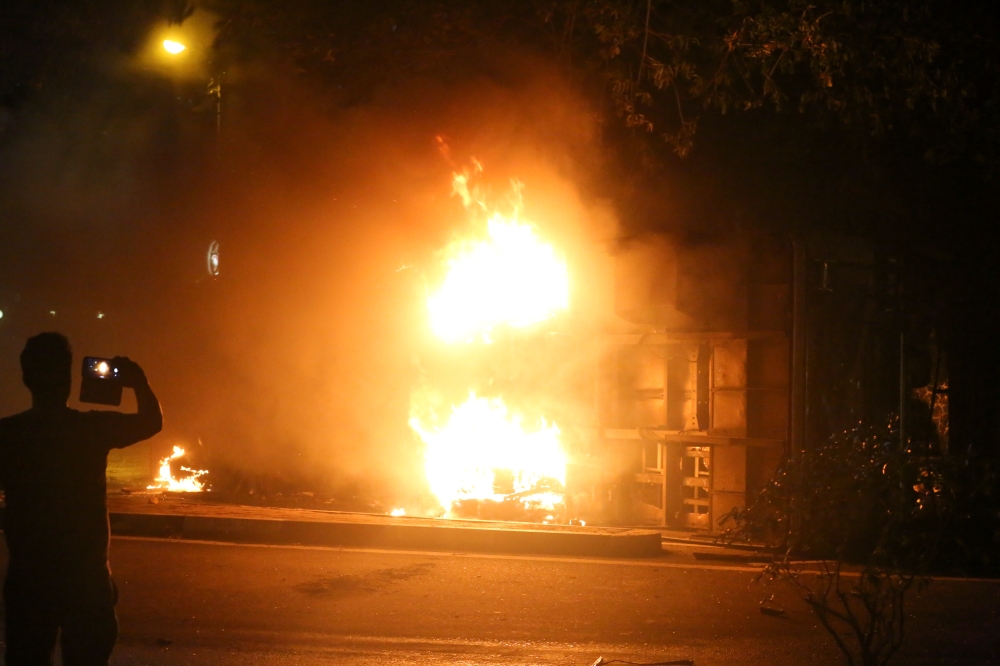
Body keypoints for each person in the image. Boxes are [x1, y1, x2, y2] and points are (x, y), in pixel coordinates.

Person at [0, 332, 162, 665]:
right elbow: (152, 421)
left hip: (29, 580)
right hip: (86, 580)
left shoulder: (9, 435)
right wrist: (138, 381)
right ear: (70, 378)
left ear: (26, 377)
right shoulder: (90, 429)